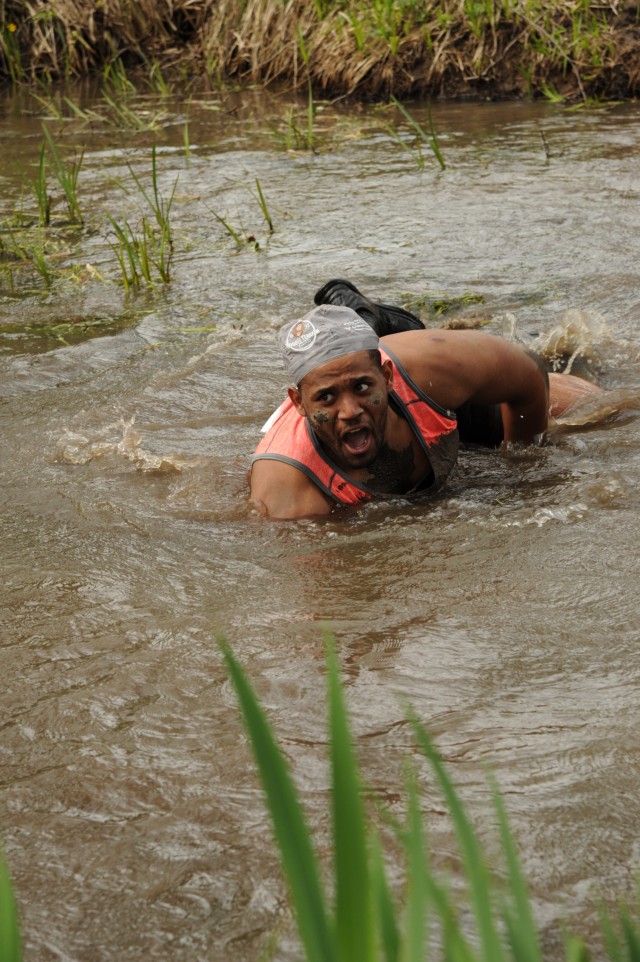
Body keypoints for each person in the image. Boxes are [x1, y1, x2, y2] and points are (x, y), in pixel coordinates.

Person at [250, 279, 601, 519]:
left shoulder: (427, 368)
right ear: (298, 403)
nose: (349, 412)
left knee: (599, 407)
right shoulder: (289, 491)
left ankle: (376, 319)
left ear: (385, 377)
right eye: (326, 398)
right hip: (403, 414)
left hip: (428, 395)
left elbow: (527, 373)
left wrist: (524, 463)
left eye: (361, 388)